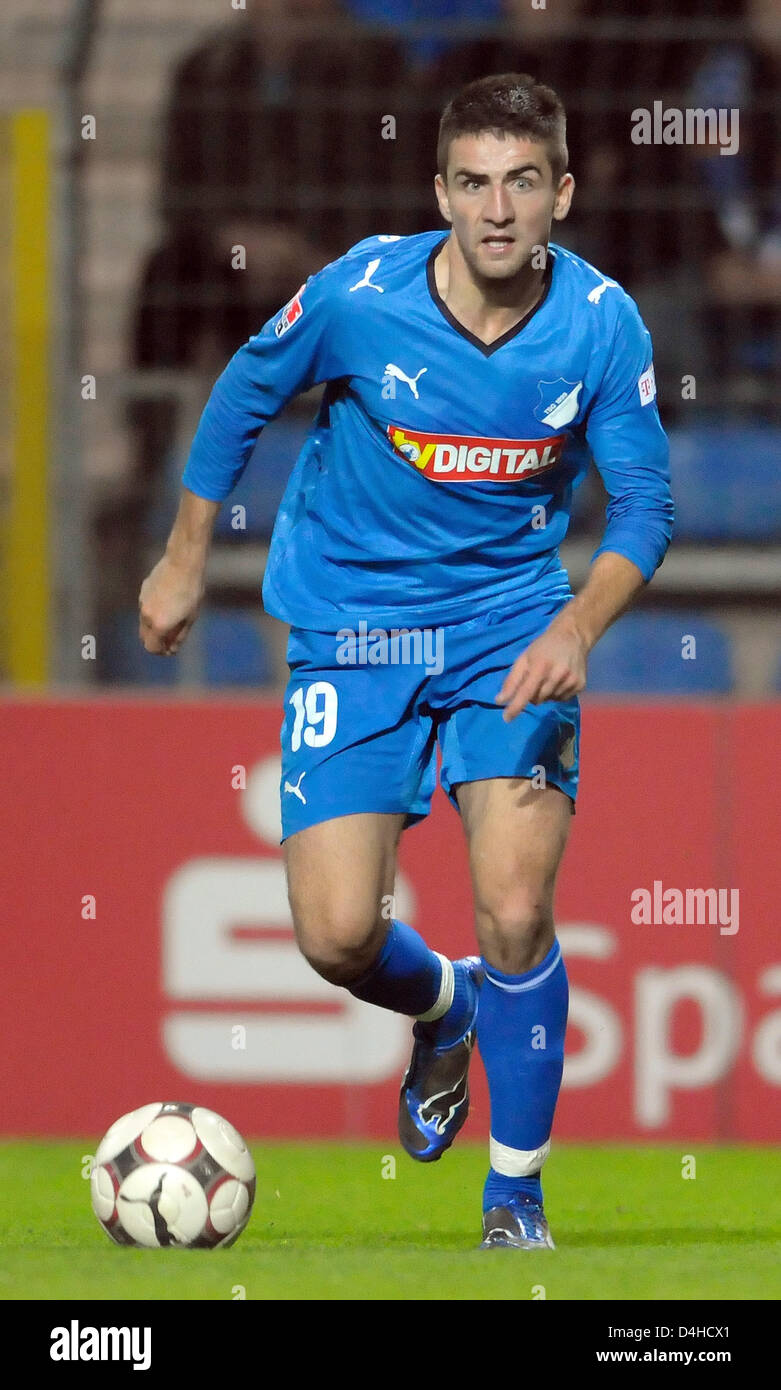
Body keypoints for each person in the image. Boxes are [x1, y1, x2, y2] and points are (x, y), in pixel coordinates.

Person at [138, 74, 673, 1249]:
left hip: (510, 630)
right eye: (473, 183)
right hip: (352, 624)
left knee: (518, 904)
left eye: (521, 183)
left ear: (561, 195)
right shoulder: (361, 295)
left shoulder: (599, 324)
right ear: (439, 192)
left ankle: (513, 1199)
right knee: (335, 934)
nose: (496, 210)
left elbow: (642, 505)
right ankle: (444, 1004)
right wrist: (183, 560)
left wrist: (577, 625)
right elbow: (239, 396)